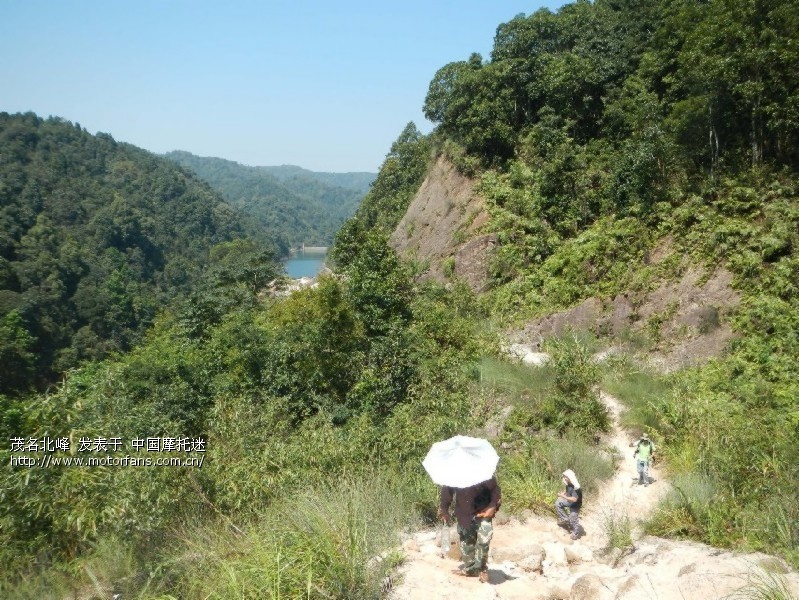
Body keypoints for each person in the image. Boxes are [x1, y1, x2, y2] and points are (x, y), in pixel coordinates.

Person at [438, 476, 501, 583]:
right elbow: (447, 492)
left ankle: (482, 570)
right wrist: (444, 510)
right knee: (467, 543)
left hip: (483, 513)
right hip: (464, 513)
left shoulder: (484, 472)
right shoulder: (455, 474)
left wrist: (492, 507)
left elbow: (495, 491)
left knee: (484, 542)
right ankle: (471, 570)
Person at [555, 469, 583, 540]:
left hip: (575, 505)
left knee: (573, 518)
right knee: (558, 503)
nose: (564, 478)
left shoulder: (576, 487)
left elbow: (574, 499)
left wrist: (562, 496)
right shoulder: (569, 484)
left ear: (570, 477)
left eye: (566, 477)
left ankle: (575, 533)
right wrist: (563, 494)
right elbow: (567, 491)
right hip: (569, 502)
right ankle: (565, 520)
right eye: (564, 476)